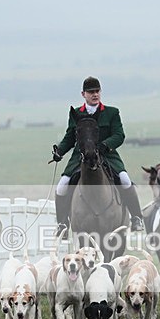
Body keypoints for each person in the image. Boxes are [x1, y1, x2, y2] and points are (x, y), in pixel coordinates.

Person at [51, 76, 144, 235]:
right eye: (91, 92)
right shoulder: (76, 113)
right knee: (62, 186)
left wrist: (104, 145)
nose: (95, 94)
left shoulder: (111, 112)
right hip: (80, 157)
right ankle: (62, 224)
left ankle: (136, 217)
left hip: (107, 155)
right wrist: (59, 151)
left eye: (97, 91)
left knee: (125, 180)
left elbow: (119, 135)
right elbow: (70, 137)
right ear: (83, 94)